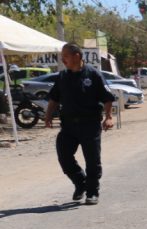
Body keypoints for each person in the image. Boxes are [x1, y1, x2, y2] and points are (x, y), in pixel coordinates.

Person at [44, 43, 116, 204]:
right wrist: (48, 115)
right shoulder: (62, 77)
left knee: (92, 160)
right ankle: (80, 182)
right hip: (68, 126)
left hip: (89, 124)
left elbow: (107, 98)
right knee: (64, 156)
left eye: (66, 56)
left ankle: (92, 192)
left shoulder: (93, 75)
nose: (63, 60)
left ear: (77, 56)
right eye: (62, 57)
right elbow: (54, 99)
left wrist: (109, 116)